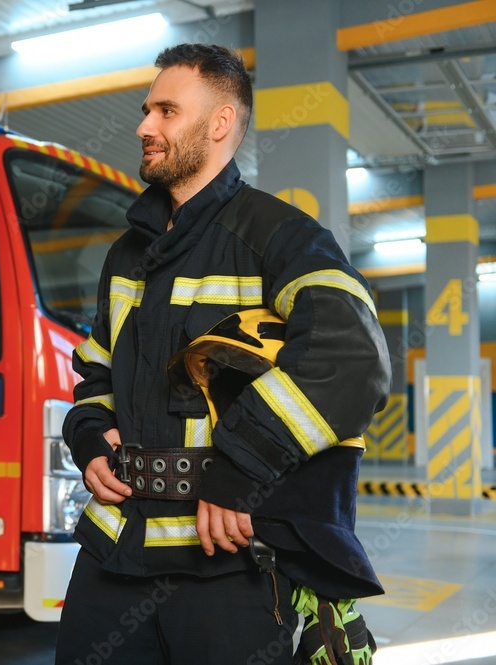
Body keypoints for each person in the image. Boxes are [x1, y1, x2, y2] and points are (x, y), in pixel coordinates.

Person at [55, 43, 389, 664]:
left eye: (165, 111)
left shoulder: (281, 237)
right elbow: (97, 373)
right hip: (113, 552)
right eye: (146, 110)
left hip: (229, 562)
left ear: (219, 124)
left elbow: (351, 357)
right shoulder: (128, 255)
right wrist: (88, 432)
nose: (144, 127)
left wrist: (241, 468)